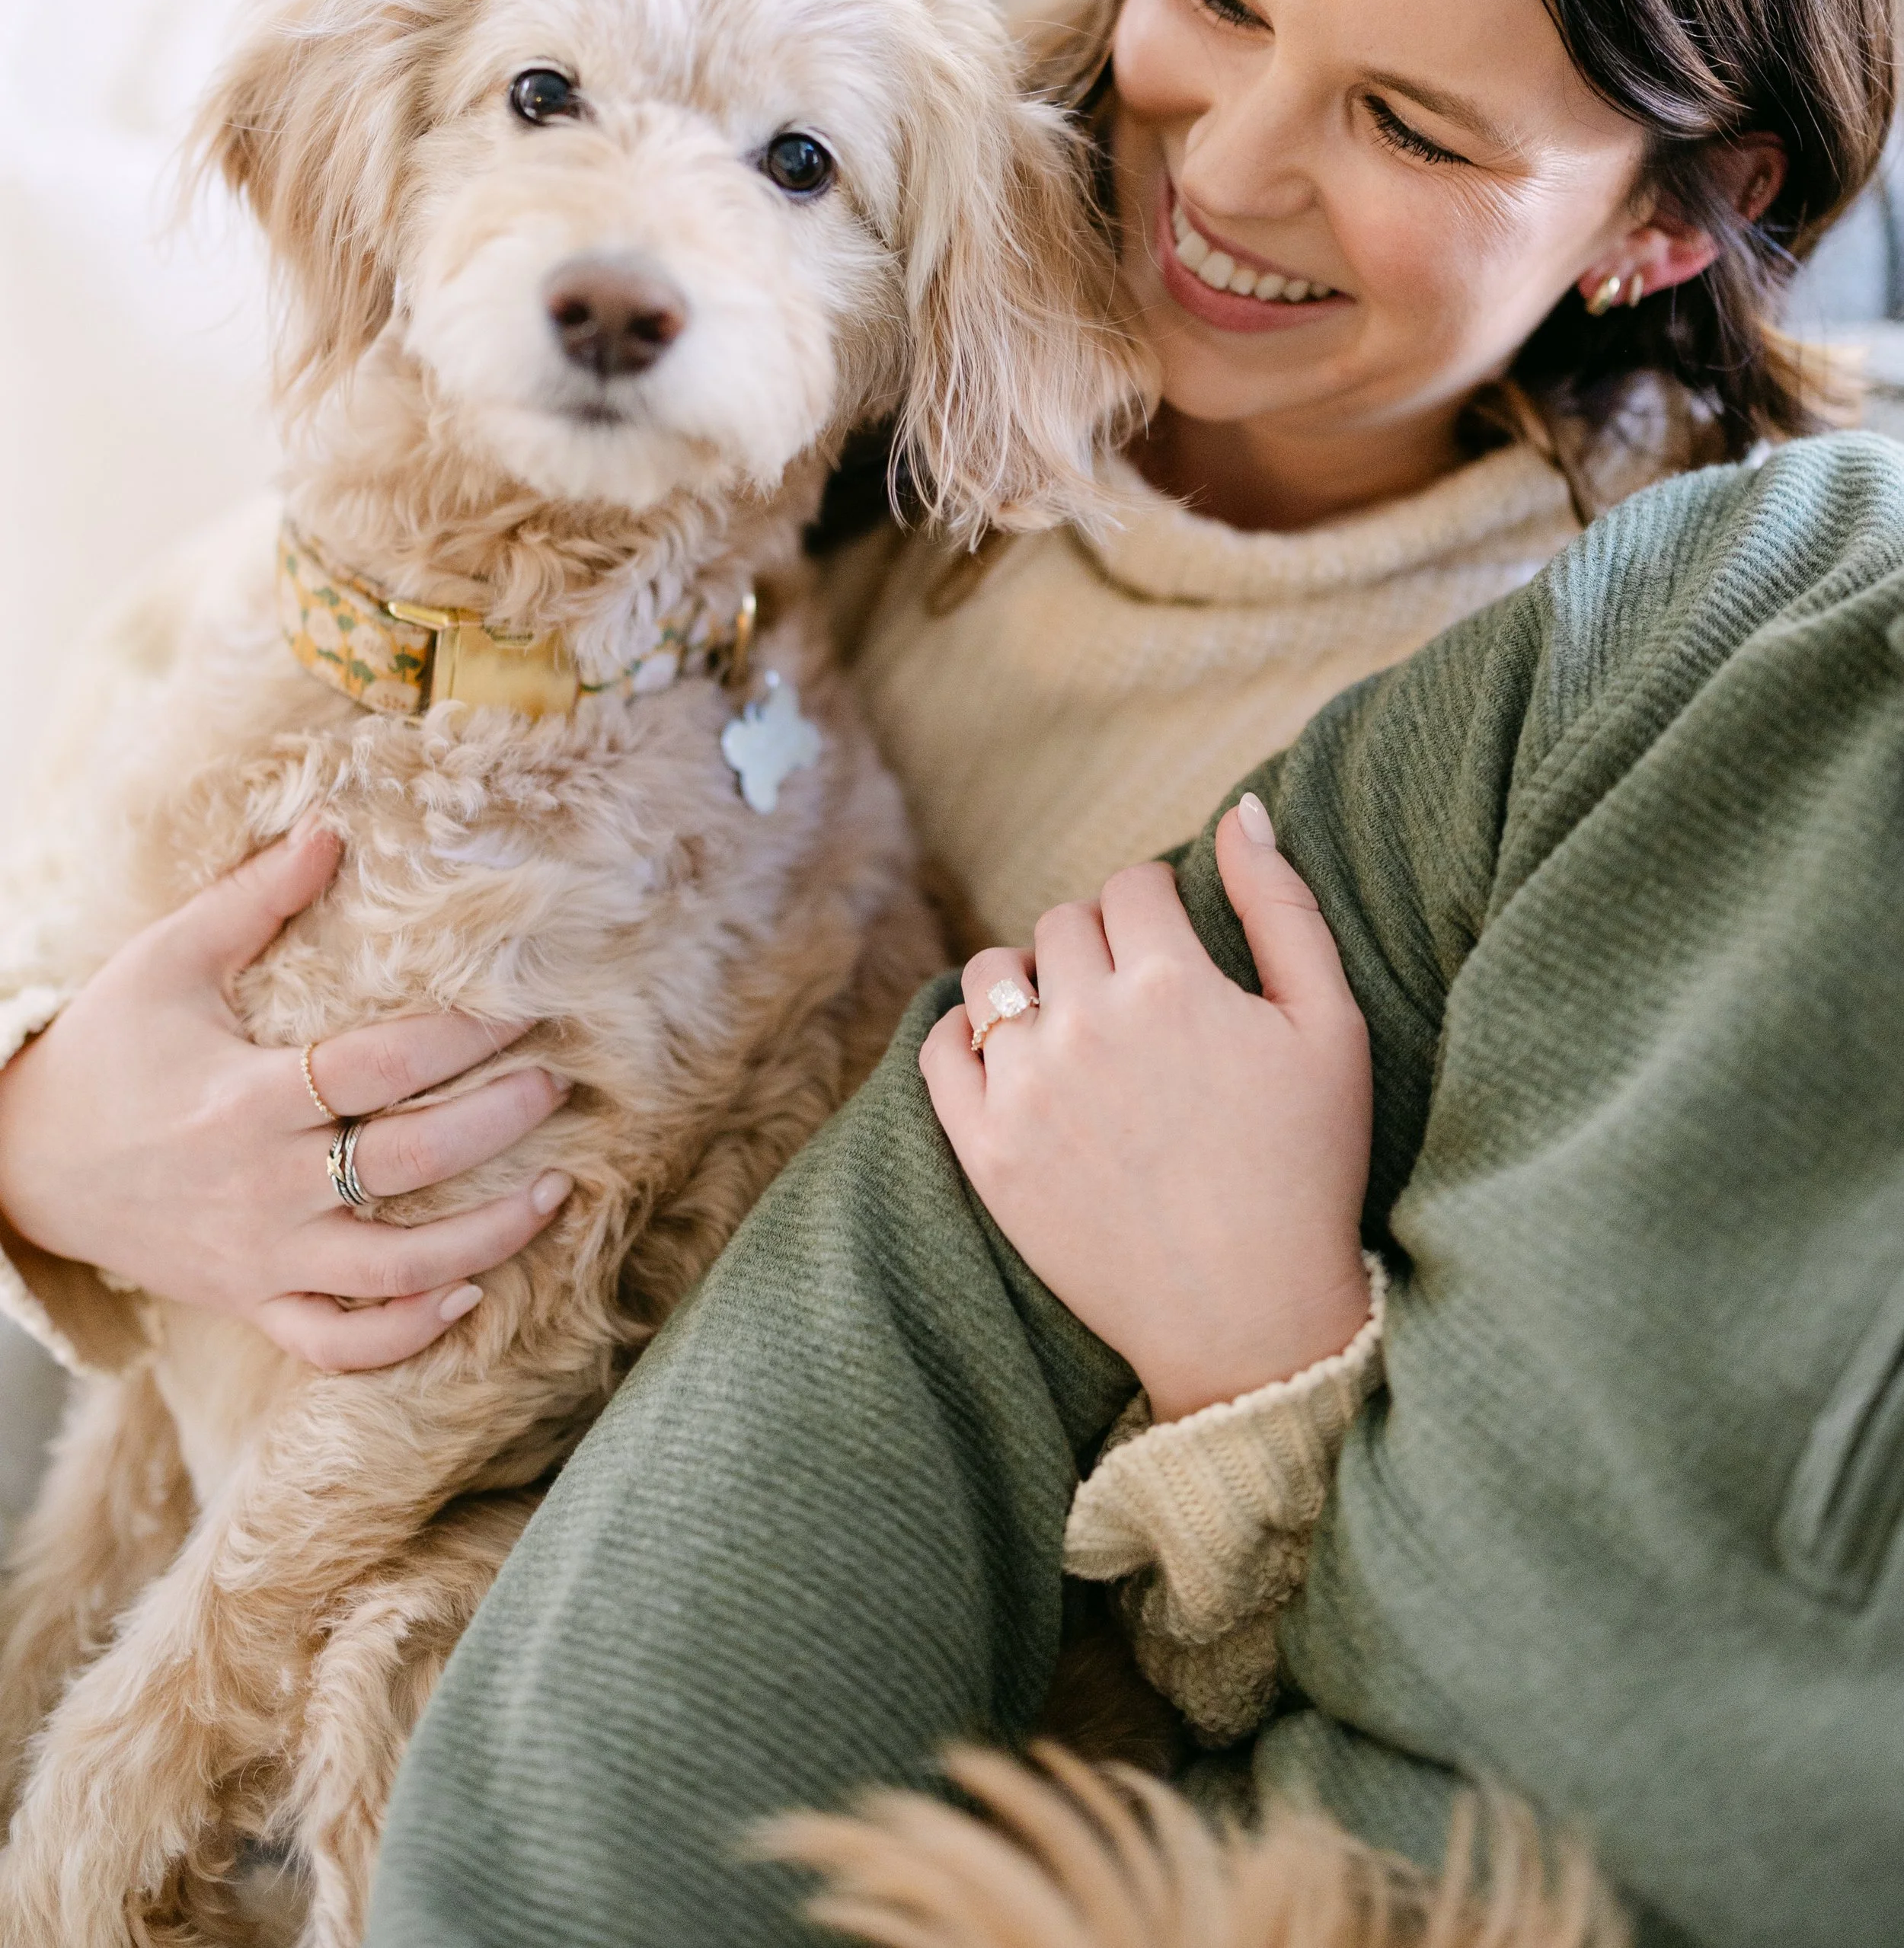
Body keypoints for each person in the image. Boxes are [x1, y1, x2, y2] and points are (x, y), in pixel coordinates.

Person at [0, 0, 1889, 1385]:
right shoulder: (872, 223)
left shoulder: (1626, 721)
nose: (1219, 176)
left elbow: (1548, 1547)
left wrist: (1252, 1338)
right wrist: (47, 1138)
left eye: (1405, 126)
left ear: (1675, 213)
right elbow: (232, 660)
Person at [362, 430, 1904, 1948]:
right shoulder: (1741, 609)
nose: (1228, 171)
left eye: (1427, 150)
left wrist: (1263, 1414)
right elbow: (945, 1228)